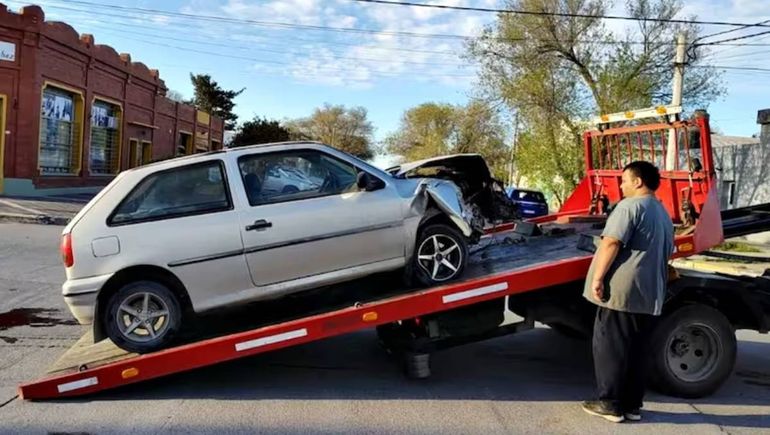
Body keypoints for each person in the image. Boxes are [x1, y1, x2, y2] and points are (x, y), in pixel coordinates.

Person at [581, 160, 674, 423]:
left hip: (623, 290)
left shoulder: (630, 207)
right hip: (651, 290)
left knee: (611, 346)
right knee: (637, 349)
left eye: (624, 180)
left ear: (638, 181)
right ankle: (632, 405)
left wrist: (598, 279)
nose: (621, 185)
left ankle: (609, 403)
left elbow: (611, 242)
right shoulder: (661, 212)